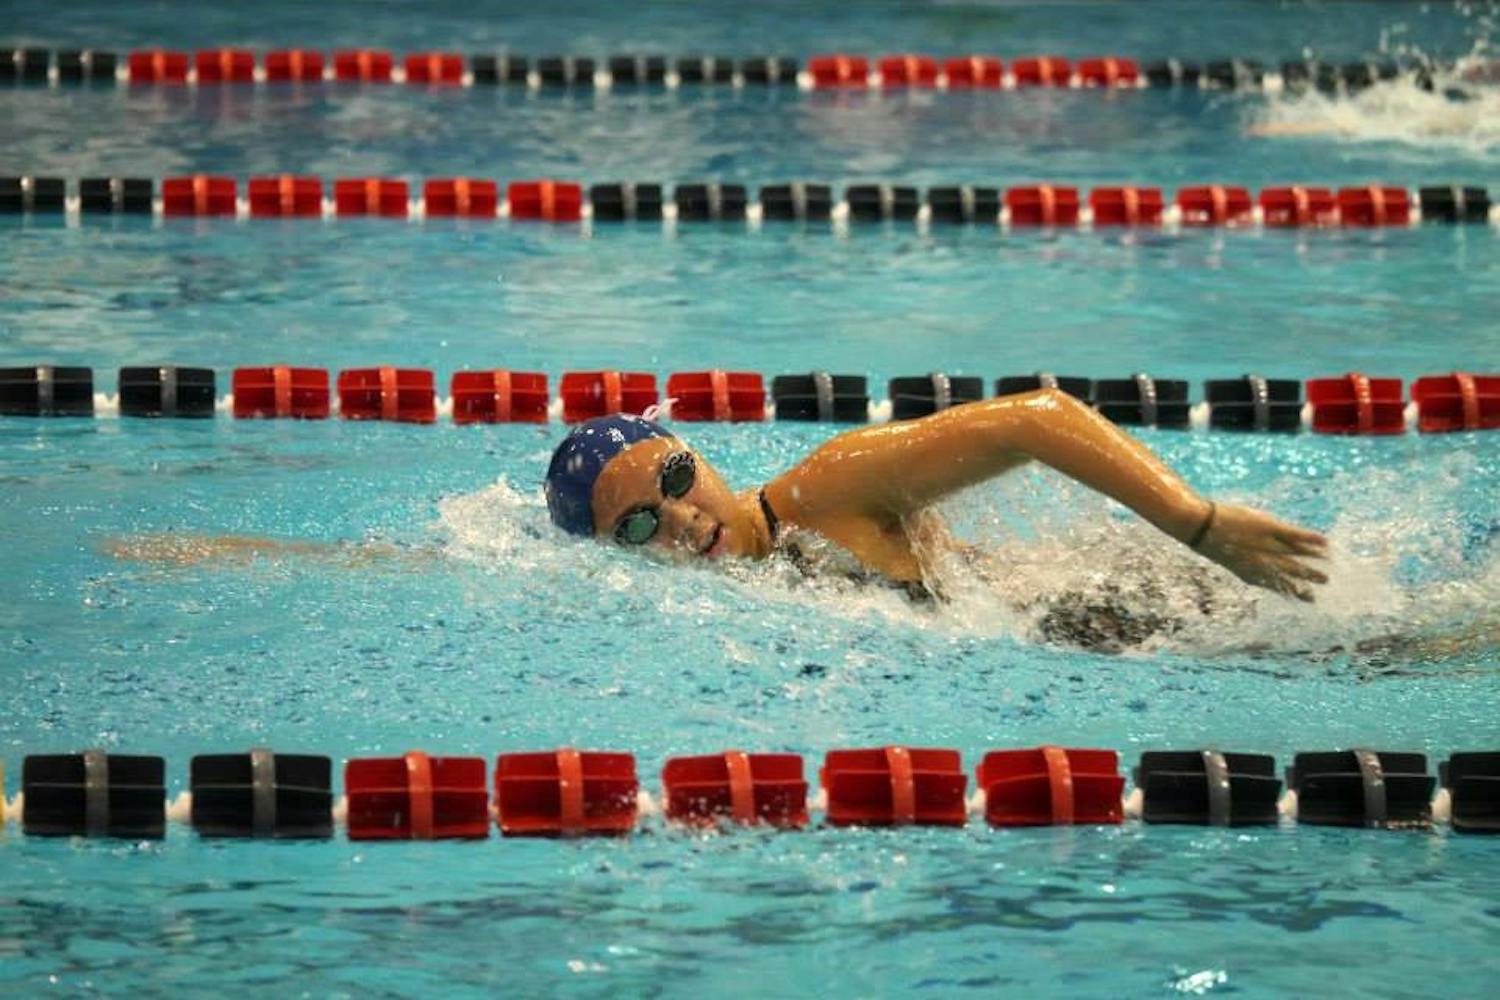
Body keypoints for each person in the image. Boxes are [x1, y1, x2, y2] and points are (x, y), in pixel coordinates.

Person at [545, 388, 1330, 605]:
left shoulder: (823, 490)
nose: (682, 520)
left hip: (1159, 603)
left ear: (700, 457)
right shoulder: (734, 600)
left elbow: (1036, 417)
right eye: (640, 523)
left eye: (677, 481)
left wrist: (1197, 524)